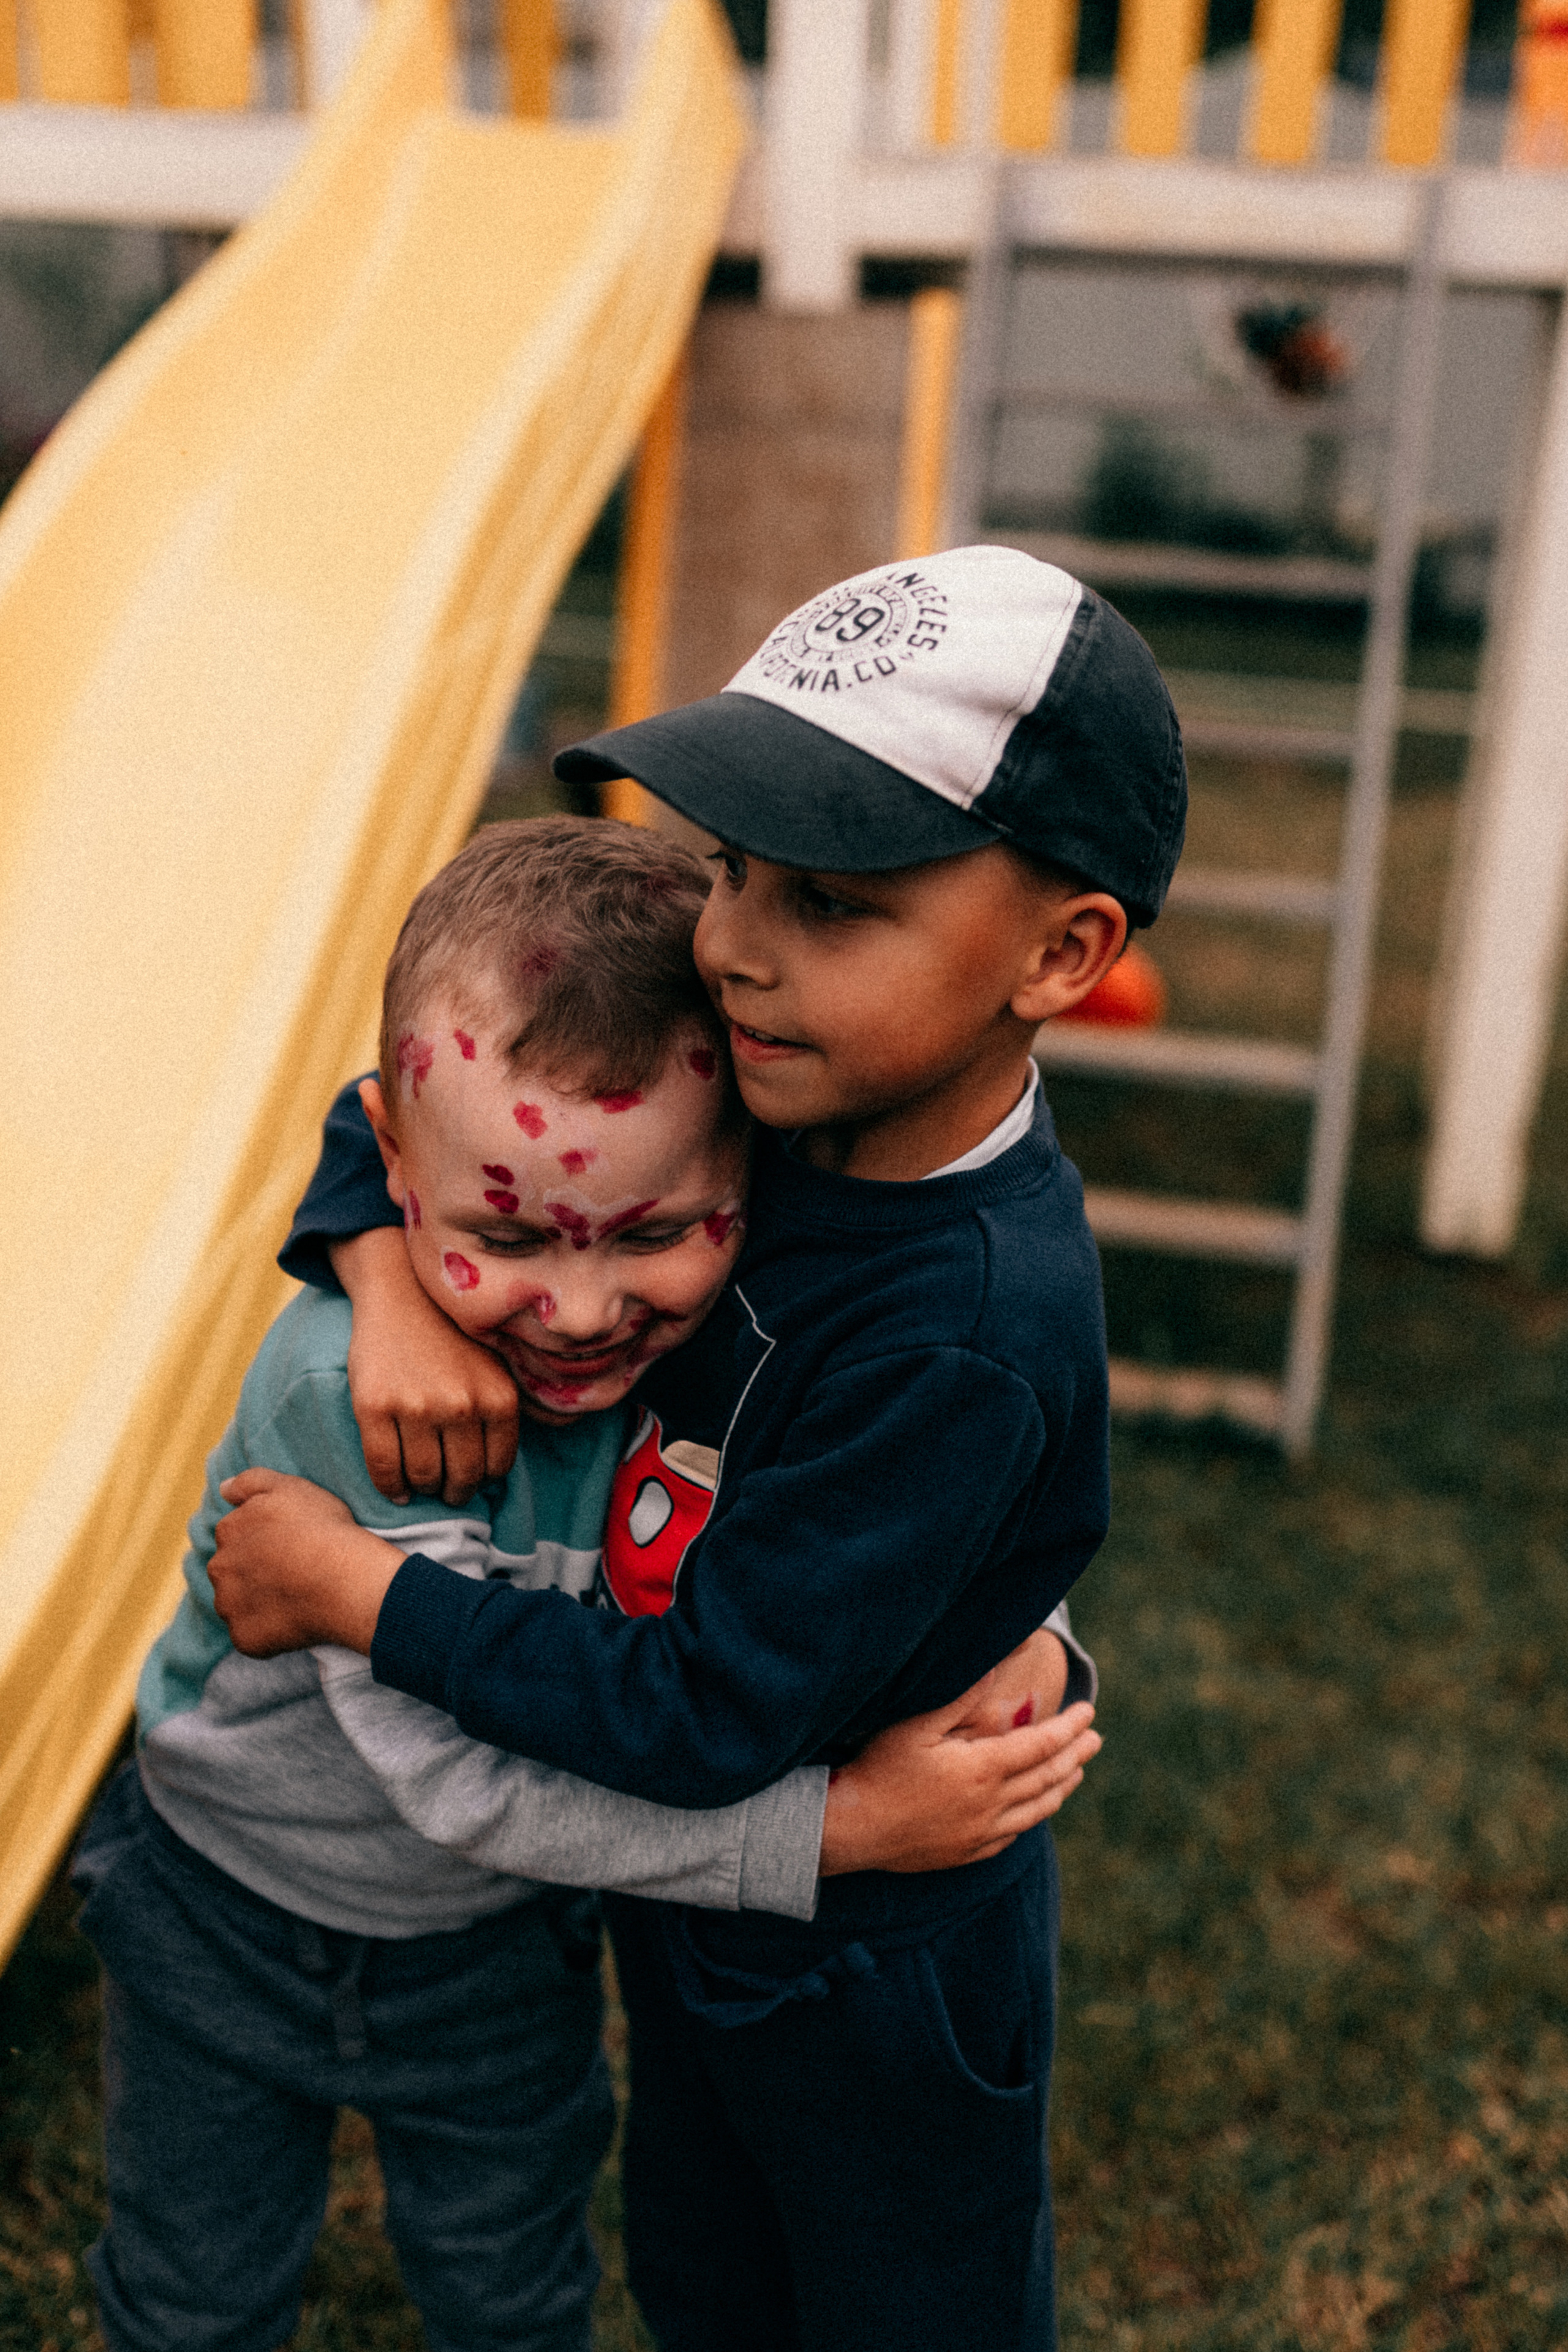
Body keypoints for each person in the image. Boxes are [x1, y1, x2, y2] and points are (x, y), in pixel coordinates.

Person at [209, 543, 1183, 2351]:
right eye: (732, 867)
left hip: (873, 1960)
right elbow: (415, 1111)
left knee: (894, 2310)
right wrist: (391, 1282)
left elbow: (694, 1717)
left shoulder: (961, 1328)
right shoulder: (802, 1083)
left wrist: (363, 1598)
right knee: (710, 2282)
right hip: (702, 1937)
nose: (727, 941)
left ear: (1061, 954)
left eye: (823, 895)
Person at [77, 815, 1098, 2352]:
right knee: (192, 2296)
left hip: (501, 1946)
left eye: (655, 1234)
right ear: (396, 1180)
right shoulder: (343, 1407)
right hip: (227, 1915)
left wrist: (1021, 1623)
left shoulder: (720, 1314)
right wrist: (846, 1832)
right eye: (499, 1235)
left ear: (743, 1181)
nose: (574, 1310)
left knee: (515, 2288)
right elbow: (471, 1784)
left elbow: (885, 1463)